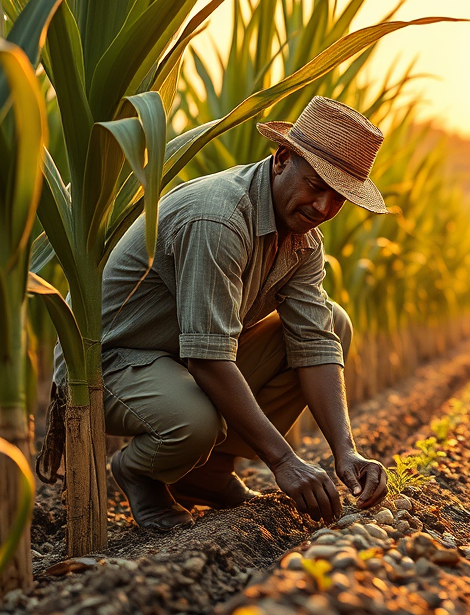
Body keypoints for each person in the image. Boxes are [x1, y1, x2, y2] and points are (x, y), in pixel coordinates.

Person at [50, 96, 390, 532]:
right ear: (283, 158)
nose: (323, 208)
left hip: (174, 360)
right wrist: (283, 462)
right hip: (109, 364)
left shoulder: (303, 237)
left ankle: (207, 474)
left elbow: (315, 343)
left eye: (338, 197)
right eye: (316, 186)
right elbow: (207, 360)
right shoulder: (220, 220)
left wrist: (346, 451)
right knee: (193, 423)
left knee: (333, 323)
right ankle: (139, 472)